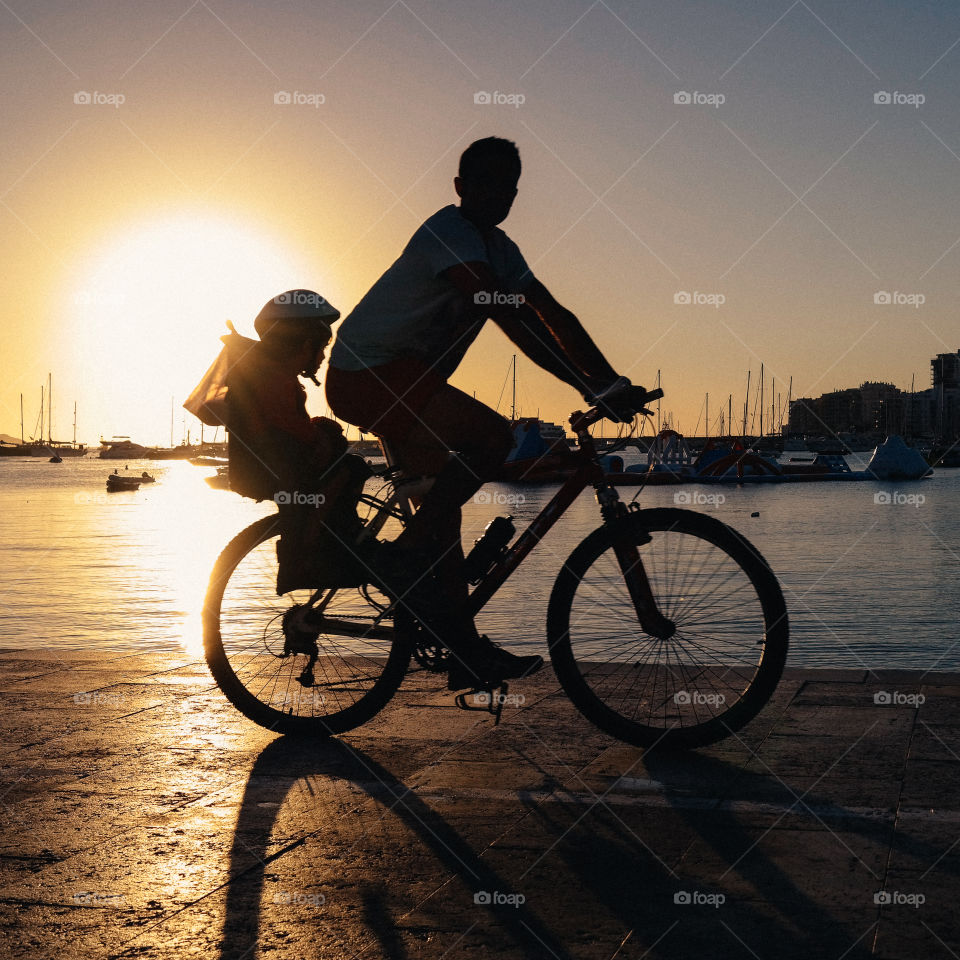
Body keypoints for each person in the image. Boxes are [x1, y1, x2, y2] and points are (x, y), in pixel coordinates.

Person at [325, 137, 627, 689]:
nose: (498, 196)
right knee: (491, 438)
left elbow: (552, 312)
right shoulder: (451, 232)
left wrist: (610, 380)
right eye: (485, 184)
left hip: (403, 381)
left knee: (444, 516)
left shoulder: (501, 249)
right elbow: (507, 313)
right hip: (366, 374)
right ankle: (405, 556)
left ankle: (460, 649)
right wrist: (586, 383)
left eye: (508, 187)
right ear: (461, 187)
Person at [227, 290, 369, 593]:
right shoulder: (270, 376)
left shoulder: (266, 372)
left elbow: (284, 423)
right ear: (305, 344)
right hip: (275, 469)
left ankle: (334, 538)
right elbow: (284, 423)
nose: (322, 357)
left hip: (271, 464)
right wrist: (320, 435)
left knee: (345, 463)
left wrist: (317, 431)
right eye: (321, 348)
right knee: (351, 470)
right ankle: (308, 553)